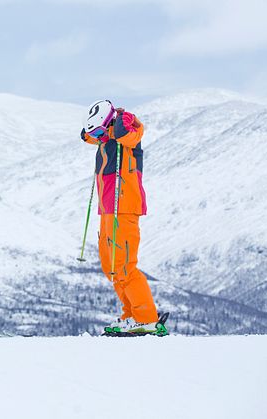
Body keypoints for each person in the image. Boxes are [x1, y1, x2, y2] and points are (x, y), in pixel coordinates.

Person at [81, 100, 162, 335]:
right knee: (111, 267)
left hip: (124, 207)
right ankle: (131, 315)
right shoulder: (105, 136)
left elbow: (131, 134)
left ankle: (147, 318)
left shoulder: (126, 126)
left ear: (108, 123)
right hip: (107, 209)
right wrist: (90, 134)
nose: (98, 136)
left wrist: (117, 125)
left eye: (99, 131)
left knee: (125, 266)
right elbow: (92, 137)